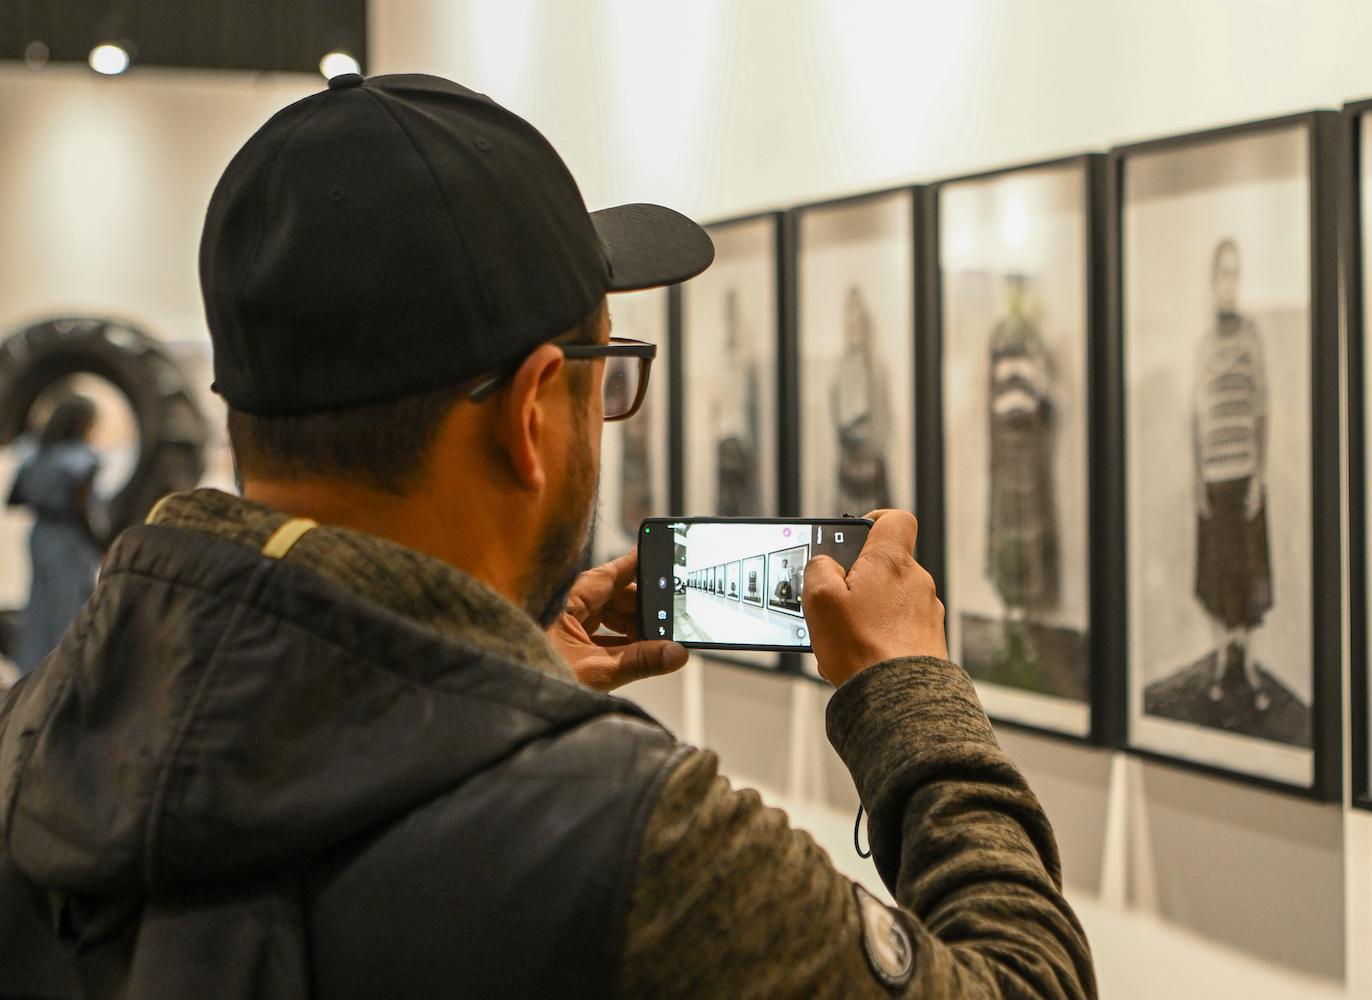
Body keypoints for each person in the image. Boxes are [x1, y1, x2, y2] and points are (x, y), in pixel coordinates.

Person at [0, 74, 1094, 1000]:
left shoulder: (42, 729)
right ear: (531, 413)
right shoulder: (641, 841)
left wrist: (486, 687)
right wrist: (909, 694)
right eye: (605, 374)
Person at [1192, 238, 1273, 711]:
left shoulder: (1251, 336)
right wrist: (1197, 480)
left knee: (1249, 573)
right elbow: (1196, 416)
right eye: (1223, 273)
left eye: (1235, 273)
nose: (1230, 282)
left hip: (1244, 476)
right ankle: (1224, 660)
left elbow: (1262, 408)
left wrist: (1259, 477)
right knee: (1220, 574)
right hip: (1215, 478)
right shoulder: (1206, 343)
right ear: (1212, 280)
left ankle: (1251, 664)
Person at [986, 274, 1059, 659]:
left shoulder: (1032, 340)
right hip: (1005, 449)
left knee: (1028, 532)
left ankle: (1025, 623)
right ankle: (1009, 621)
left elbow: (1042, 395)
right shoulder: (999, 337)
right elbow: (992, 396)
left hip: (1027, 450)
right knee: (1006, 534)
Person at [5, 394, 102, 675]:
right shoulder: (81, 459)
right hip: (69, 540)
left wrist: (43, 497)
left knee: (39, 610)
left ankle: (32, 673)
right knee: (68, 613)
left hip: (41, 536)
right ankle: (60, 678)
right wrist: (101, 541)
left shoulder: (35, 456)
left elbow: (13, 499)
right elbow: (82, 509)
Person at [831, 285, 893, 514]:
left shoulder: (876, 367)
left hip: (869, 460)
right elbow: (837, 410)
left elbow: (883, 418)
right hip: (848, 458)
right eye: (849, 318)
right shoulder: (840, 367)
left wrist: (872, 447)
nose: (853, 324)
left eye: (857, 318)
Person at [713, 289, 762, 516]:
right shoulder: (721, 356)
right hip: (725, 437)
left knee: (743, 500)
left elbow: (749, 402)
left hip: (741, 438)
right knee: (725, 500)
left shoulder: (744, 360)